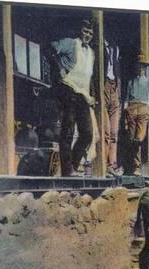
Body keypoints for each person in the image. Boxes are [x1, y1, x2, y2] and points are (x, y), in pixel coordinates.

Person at [50, 20, 96, 177]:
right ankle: (67, 170)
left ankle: (73, 167)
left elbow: (89, 76)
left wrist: (91, 95)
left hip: (82, 94)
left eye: (90, 33)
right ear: (80, 30)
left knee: (87, 134)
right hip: (67, 88)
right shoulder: (70, 43)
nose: (87, 35)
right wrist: (59, 68)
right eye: (85, 31)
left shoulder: (91, 53)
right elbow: (49, 48)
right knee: (68, 130)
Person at [124, 54, 149, 176]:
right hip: (131, 110)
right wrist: (126, 111)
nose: (140, 68)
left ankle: (137, 166)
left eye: (143, 66)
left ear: (146, 68)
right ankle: (134, 167)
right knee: (131, 139)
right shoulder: (131, 82)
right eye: (139, 66)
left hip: (143, 110)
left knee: (139, 138)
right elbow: (127, 99)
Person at [103, 38, 122, 176]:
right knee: (106, 131)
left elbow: (117, 69)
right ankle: (103, 165)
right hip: (103, 87)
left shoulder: (115, 48)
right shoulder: (96, 46)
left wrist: (118, 89)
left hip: (114, 88)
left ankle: (112, 165)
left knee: (114, 132)